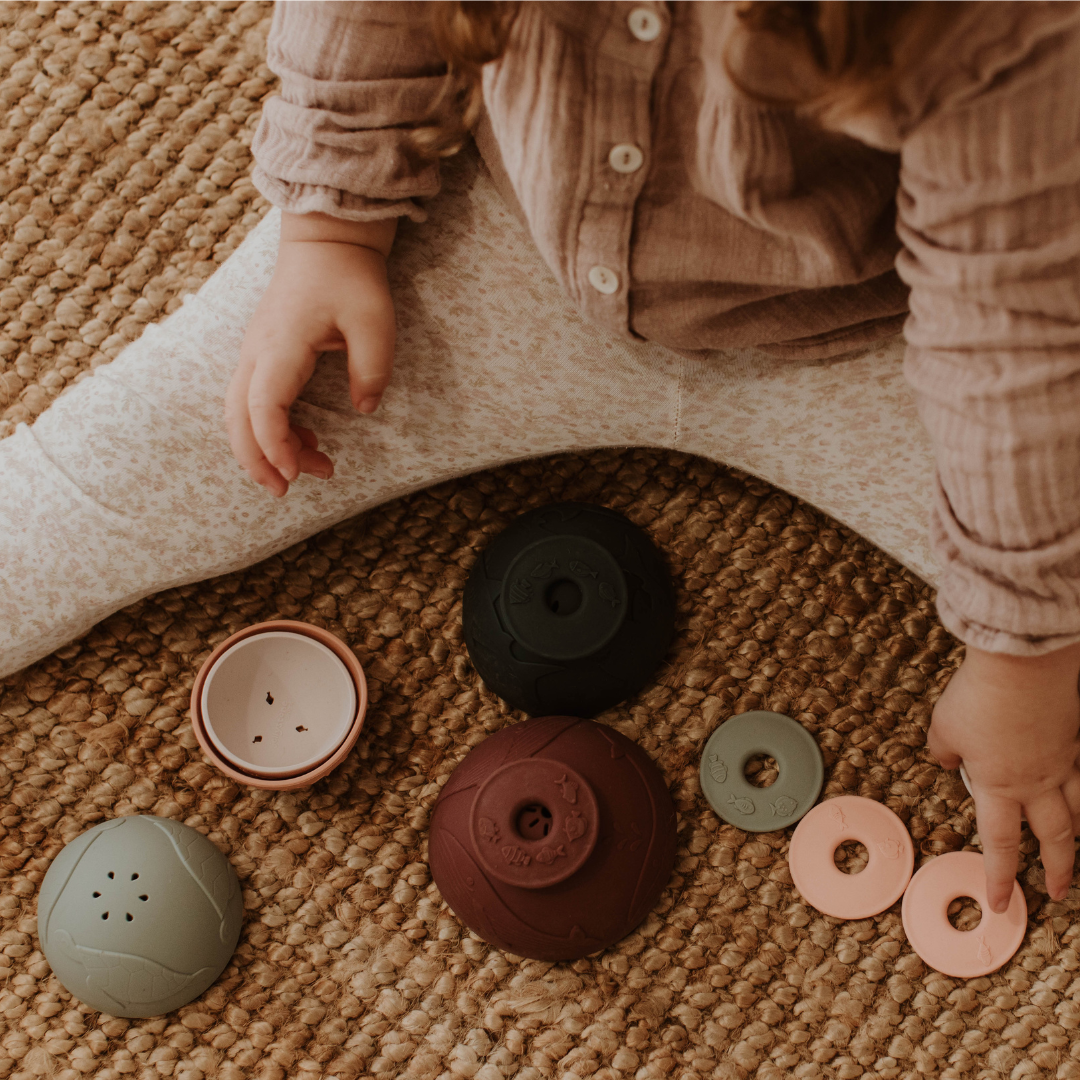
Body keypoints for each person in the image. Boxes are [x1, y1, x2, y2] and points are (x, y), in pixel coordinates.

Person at [2, 1, 1079, 917]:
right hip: (502, 229)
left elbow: (1014, 341)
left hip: (869, 326)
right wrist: (331, 225)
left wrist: (1025, 657)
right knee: (149, 463)